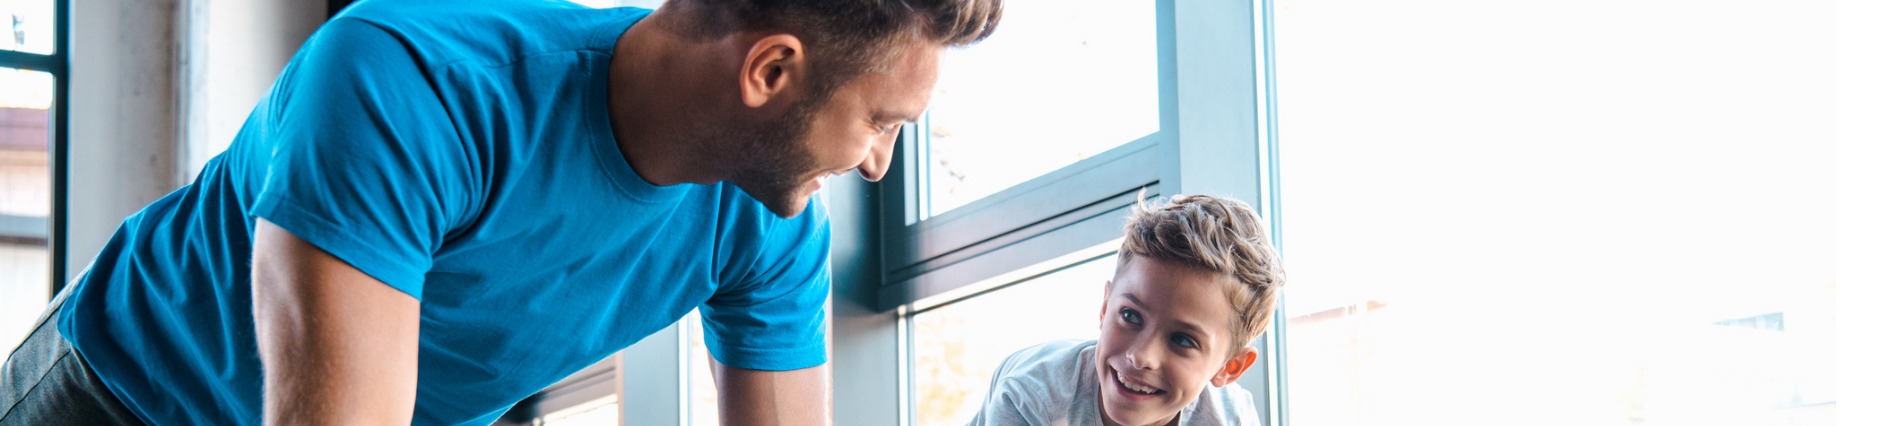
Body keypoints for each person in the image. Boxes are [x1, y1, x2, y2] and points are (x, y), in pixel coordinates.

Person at [0, 0, 1002, 424]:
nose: (879, 165)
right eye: (881, 123)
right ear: (770, 71)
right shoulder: (410, 83)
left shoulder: (771, 227)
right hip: (125, 391)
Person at [968, 194, 1286, 426]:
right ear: (1106, 307)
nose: (1141, 356)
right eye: (1130, 316)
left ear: (1230, 367)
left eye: (1182, 340)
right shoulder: (1033, 397)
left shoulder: (1230, 418)